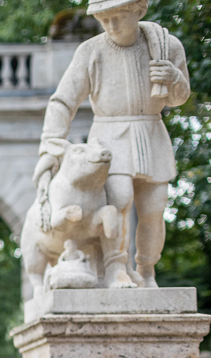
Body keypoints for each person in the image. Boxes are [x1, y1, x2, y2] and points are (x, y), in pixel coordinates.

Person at [34, 0, 189, 288]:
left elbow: (178, 98)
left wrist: (174, 78)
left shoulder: (166, 45)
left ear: (139, 10)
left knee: (155, 209)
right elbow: (63, 100)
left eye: (119, 16)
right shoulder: (91, 51)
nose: (111, 26)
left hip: (151, 131)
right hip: (109, 135)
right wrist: (51, 144)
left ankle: (146, 270)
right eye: (104, 19)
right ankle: (116, 267)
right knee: (118, 200)